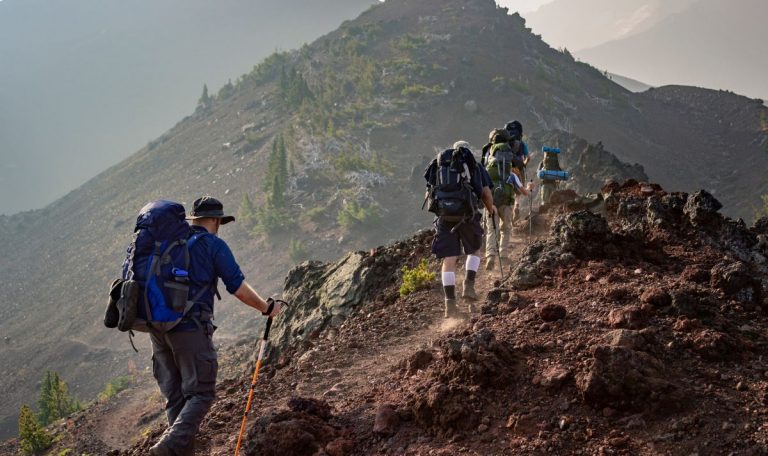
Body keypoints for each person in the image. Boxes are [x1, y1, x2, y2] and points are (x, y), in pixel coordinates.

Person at [149, 196, 282, 456]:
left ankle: (175, 451)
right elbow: (238, 288)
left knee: (176, 398)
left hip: (158, 329)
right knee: (201, 394)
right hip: (190, 329)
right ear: (215, 220)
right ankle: (167, 448)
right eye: (219, 221)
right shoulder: (212, 245)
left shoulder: (171, 244)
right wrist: (266, 308)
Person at [424, 141, 496, 318]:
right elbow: (486, 193)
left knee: (448, 260)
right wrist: (491, 210)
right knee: (474, 251)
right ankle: (469, 285)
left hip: (444, 218)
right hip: (467, 215)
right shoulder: (474, 166)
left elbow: (429, 194)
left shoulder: (438, 166)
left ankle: (450, 305)